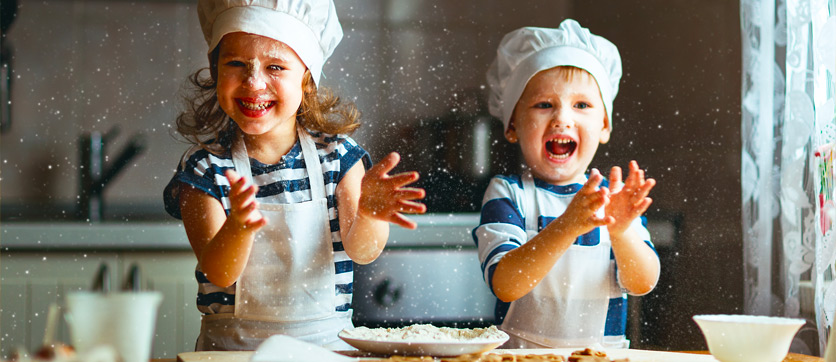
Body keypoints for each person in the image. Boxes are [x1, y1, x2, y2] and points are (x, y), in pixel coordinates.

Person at [163, 0, 426, 351]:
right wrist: (239, 226)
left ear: (307, 79)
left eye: (275, 66)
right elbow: (219, 273)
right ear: (214, 71)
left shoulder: (340, 158)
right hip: (232, 355)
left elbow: (362, 252)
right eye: (236, 63)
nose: (254, 82)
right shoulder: (204, 169)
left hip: (327, 351)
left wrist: (367, 214)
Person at [473, 19, 660, 349]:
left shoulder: (612, 200)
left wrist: (620, 231)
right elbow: (505, 283)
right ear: (512, 123)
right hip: (520, 358)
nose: (562, 118)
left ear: (604, 125)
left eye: (582, 105)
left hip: (602, 357)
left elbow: (642, 282)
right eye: (544, 104)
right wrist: (567, 226)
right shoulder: (508, 194)